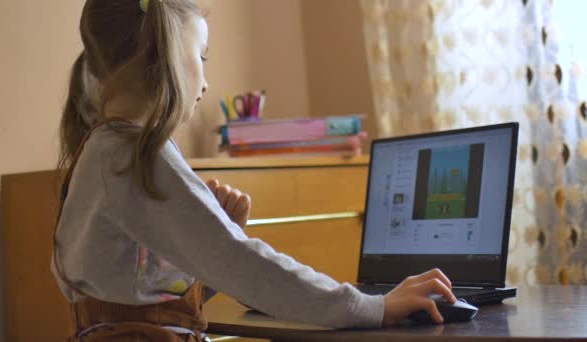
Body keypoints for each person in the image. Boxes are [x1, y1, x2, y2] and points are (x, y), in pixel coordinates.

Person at [52, 0, 456, 340]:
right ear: (167, 53)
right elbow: (244, 265)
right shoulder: (137, 156)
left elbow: (142, 294)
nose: (206, 82)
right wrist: (371, 306)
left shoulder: (100, 151)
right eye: (202, 56)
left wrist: (215, 232)